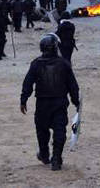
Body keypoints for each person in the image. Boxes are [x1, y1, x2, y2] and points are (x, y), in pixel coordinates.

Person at [20, 34, 80, 171]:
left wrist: (23, 99)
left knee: (42, 130)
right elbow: (72, 85)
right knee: (59, 130)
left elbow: (28, 83)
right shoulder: (64, 63)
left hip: (42, 104)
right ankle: (56, 159)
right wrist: (76, 101)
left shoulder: (36, 63)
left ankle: (45, 154)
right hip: (59, 103)